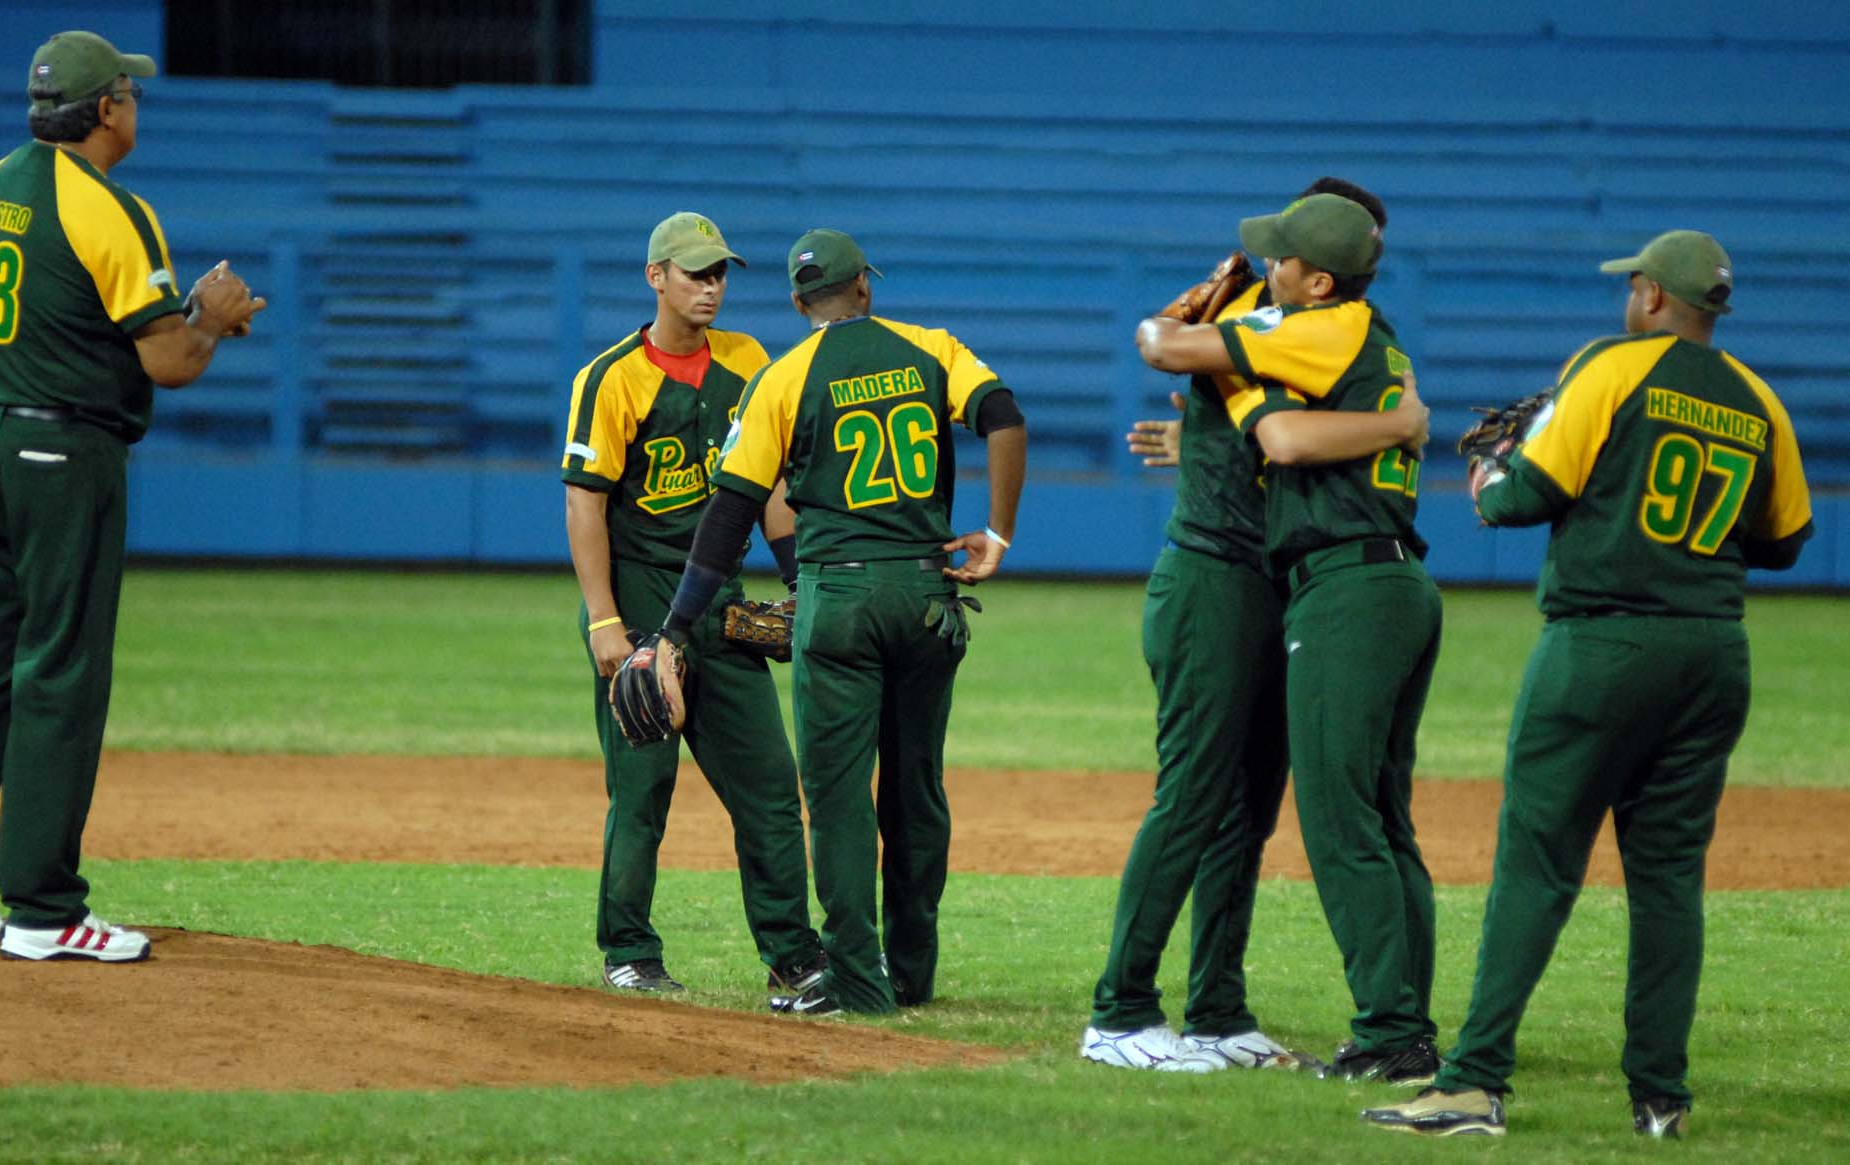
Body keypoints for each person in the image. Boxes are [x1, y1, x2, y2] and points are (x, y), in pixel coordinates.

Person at [1362, 231, 1813, 1140]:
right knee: (1669, 881)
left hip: (1603, 646)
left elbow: (1518, 497)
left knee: (1536, 867)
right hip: (1712, 656)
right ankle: (1660, 1098)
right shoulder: (1759, 399)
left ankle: (1473, 1083)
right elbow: (1785, 538)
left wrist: (1491, 472)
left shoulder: (1612, 367)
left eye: (1633, 286)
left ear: (1651, 296)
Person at [651, 228, 1026, 1016]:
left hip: (839, 599)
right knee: (916, 788)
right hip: (928, 597)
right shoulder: (930, 349)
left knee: (839, 797)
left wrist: (677, 628)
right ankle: (913, 968)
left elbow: (730, 516)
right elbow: (1003, 414)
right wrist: (997, 532)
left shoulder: (782, 378)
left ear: (797, 302)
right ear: (865, 287)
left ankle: (860, 977)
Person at [0, 30, 264, 962]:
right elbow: (167, 360)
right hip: (58, 454)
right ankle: (44, 909)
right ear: (104, 112)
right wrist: (210, 316)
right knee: (59, 676)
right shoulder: (110, 209)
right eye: (128, 91)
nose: (136, 103)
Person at [1084, 180, 1392, 1073]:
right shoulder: (1255, 311)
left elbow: (1259, 427)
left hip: (1281, 584)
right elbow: (1171, 351)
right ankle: (1120, 1011)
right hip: (1212, 576)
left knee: (1247, 809)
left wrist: (1199, 438)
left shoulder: (1332, 329)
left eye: (1289, 244)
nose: (1269, 256)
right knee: (1192, 794)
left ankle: (1217, 1007)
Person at [561, 212, 825, 995]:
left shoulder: (747, 361)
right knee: (642, 786)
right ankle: (629, 951)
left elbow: (771, 487)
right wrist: (605, 620)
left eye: (719, 274)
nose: (711, 286)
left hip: (720, 598)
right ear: (657, 278)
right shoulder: (611, 376)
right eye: (695, 273)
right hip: (639, 595)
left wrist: (799, 577)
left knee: (771, 786)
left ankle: (795, 959)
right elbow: (584, 504)